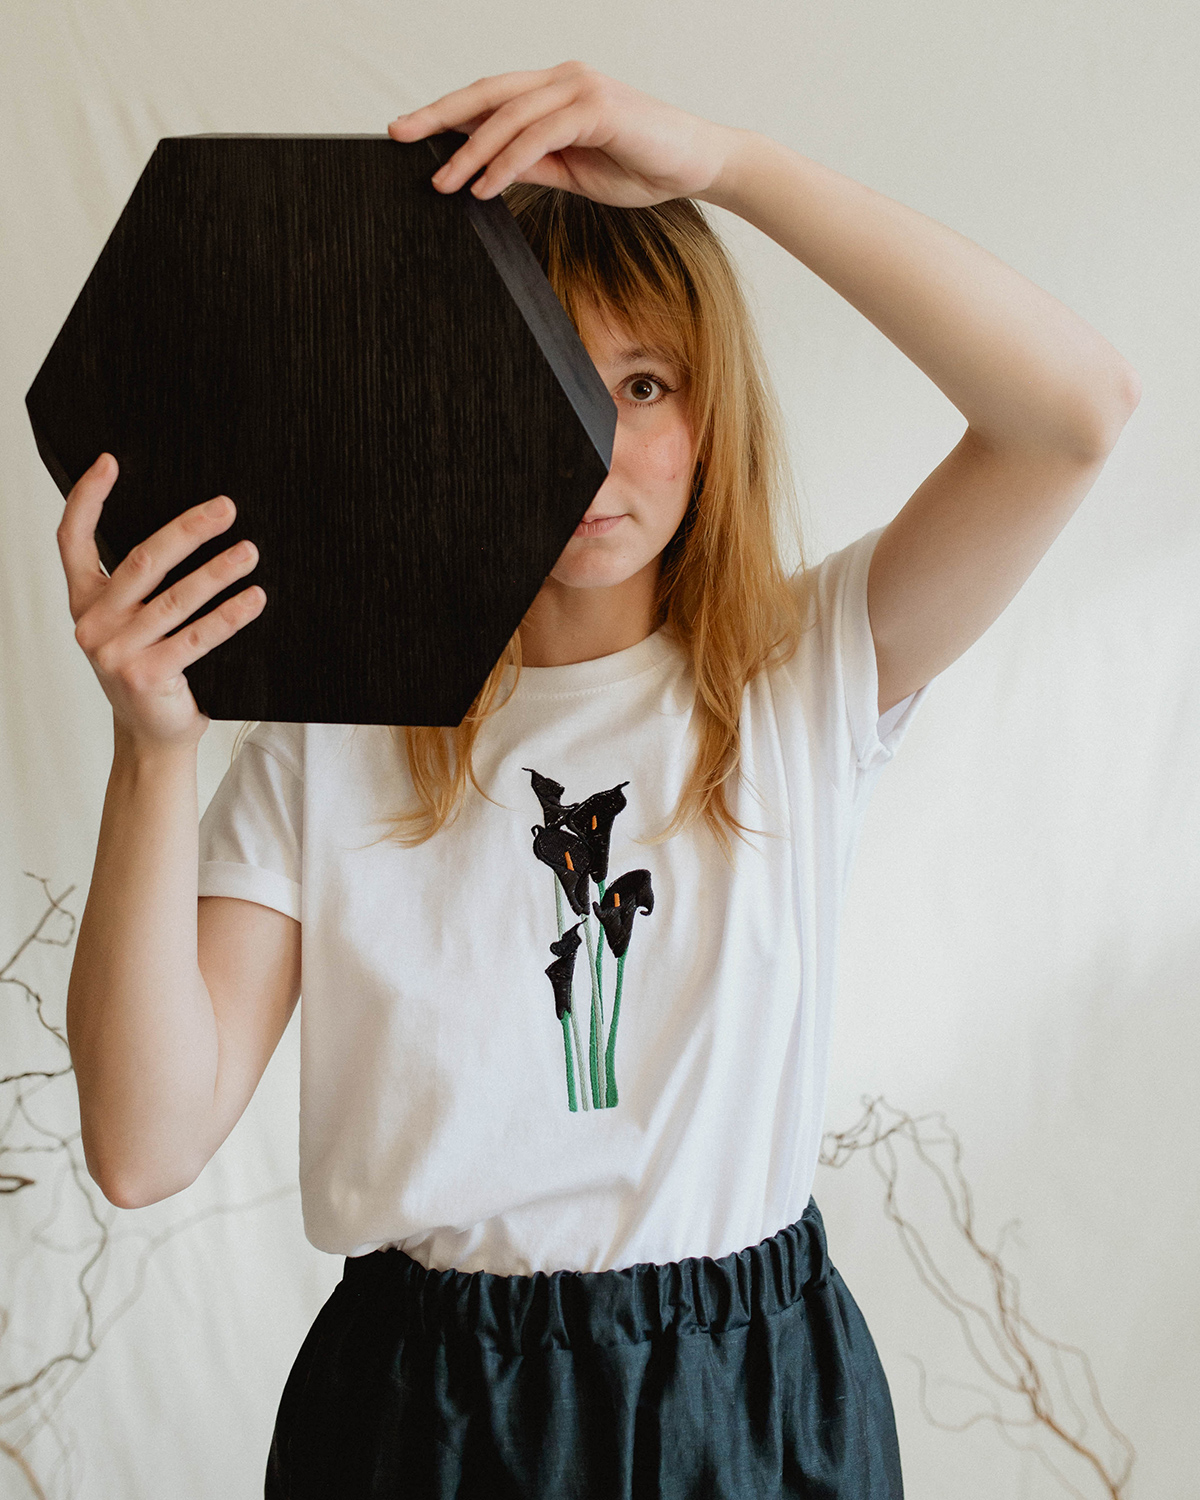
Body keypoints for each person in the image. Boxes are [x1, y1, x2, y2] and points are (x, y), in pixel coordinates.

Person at [57, 61, 1139, 1500]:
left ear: (710, 410)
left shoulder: (803, 670)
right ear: (450, 397)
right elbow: (142, 1146)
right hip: (424, 1416)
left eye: (642, 384)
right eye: (545, 377)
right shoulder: (337, 737)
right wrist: (153, 748)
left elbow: (1075, 411)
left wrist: (729, 164)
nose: (595, 446)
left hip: (747, 1403)